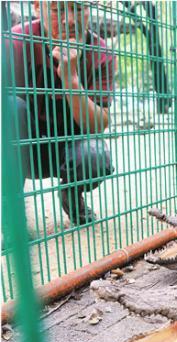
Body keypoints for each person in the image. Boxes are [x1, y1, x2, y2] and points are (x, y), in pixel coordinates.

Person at [8, 1, 116, 225]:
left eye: (78, 8)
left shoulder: (100, 51)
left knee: (95, 154)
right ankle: (10, 212)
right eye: (58, 10)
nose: (70, 20)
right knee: (9, 107)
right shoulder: (13, 43)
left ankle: (71, 193)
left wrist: (71, 79)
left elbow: (99, 123)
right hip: (23, 147)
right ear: (38, 8)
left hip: (70, 149)